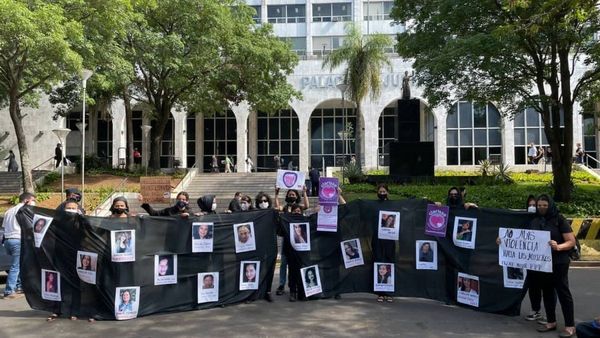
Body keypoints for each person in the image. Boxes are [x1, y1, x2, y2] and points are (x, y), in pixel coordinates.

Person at [531, 194, 576, 337]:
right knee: (548, 292)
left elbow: (571, 241)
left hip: (559, 262)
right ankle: (551, 321)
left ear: (550, 205)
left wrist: (559, 247)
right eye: (539, 205)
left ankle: (570, 325)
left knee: (563, 292)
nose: (542, 208)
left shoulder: (559, 219)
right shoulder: (535, 220)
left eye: (545, 205)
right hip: (543, 263)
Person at [2, 192, 36, 299]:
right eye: (33, 200)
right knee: (16, 266)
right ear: (26, 201)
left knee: (19, 264)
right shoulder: (24, 210)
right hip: (18, 240)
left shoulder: (9, 211)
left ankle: (19, 286)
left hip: (8, 241)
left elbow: (4, 226)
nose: (34, 203)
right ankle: (9, 291)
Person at [373, 184, 395, 303]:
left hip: (389, 240)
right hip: (377, 239)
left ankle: (389, 293)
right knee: (378, 262)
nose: (382, 193)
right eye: (380, 192)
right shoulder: (374, 205)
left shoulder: (393, 205)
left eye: (384, 191)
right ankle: (380, 293)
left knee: (389, 262)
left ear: (388, 192)